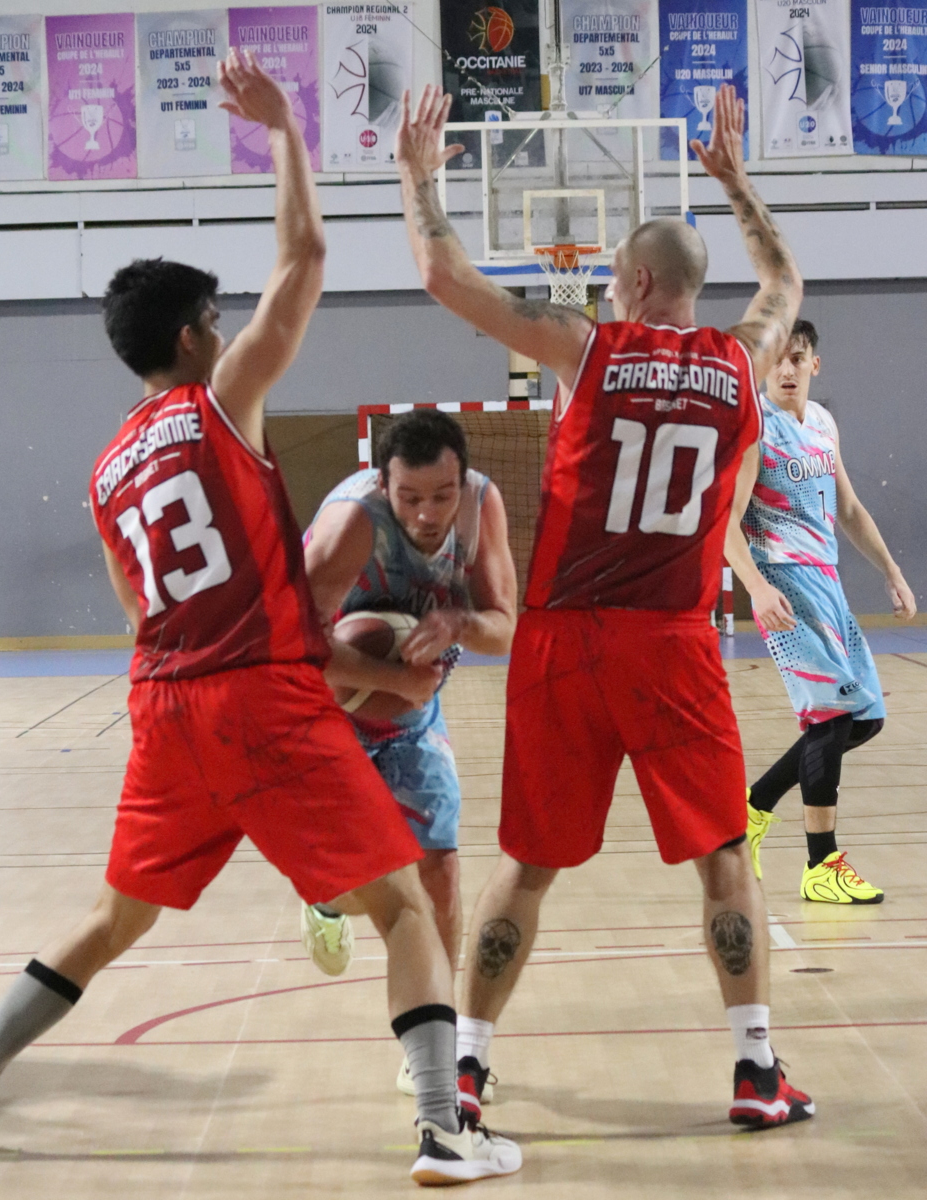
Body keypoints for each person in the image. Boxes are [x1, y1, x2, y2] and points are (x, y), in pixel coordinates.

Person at [0, 50, 520, 1186]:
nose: (231, 331)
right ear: (195, 336)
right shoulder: (221, 403)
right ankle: (447, 1130)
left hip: (163, 707)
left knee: (111, 918)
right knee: (402, 909)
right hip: (260, 700)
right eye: (218, 320)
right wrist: (284, 129)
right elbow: (306, 258)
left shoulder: (107, 471)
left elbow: (141, 613)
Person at [396, 81, 815, 1130]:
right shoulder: (740, 360)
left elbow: (443, 273)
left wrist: (417, 179)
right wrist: (736, 181)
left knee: (528, 865)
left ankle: (468, 1068)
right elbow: (784, 279)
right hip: (673, 642)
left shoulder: (588, 347)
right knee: (724, 857)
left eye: (618, 277)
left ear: (635, 281)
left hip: (564, 644)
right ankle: (755, 1070)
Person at [299, 409, 517, 1099]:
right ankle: (326, 903)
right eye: (410, 498)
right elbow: (295, 650)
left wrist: (460, 621)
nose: (427, 514)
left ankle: (435, 1047)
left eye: (441, 495)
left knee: (439, 869)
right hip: (325, 712)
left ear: (462, 481)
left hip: (413, 719)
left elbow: (504, 628)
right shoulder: (350, 527)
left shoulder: (481, 507)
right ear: (382, 485)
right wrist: (394, 680)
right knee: (352, 878)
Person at [723, 319, 916, 902]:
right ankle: (821, 865)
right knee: (829, 719)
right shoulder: (756, 428)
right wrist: (756, 588)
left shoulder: (824, 425)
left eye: (797, 357)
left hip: (827, 583)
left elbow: (849, 508)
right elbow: (725, 524)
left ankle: (753, 807)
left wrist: (892, 572)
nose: (787, 369)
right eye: (778, 359)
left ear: (814, 364)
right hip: (783, 585)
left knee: (865, 718)